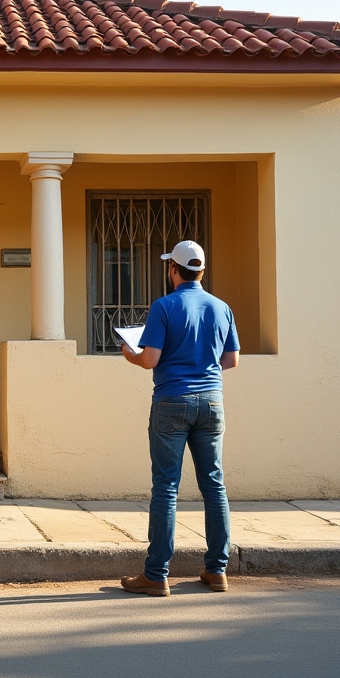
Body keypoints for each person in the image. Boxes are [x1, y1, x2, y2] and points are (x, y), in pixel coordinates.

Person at [118, 240, 239, 597]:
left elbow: (150, 359)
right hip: (212, 402)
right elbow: (231, 361)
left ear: (174, 269)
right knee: (214, 485)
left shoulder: (164, 306)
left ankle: (156, 575)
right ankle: (217, 571)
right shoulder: (222, 307)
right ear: (202, 271)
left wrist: (129, 353)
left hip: (172, 401)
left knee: (166, 488)